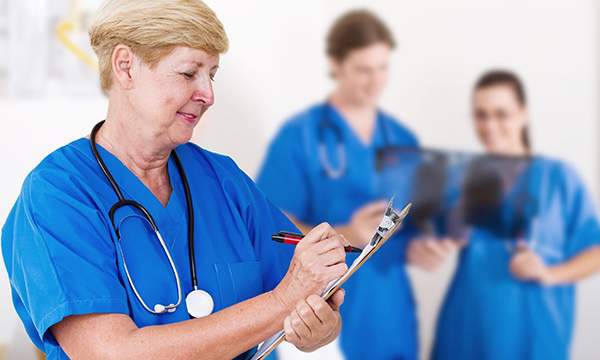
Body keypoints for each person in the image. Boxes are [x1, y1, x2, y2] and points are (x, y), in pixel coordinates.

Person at [1, 1, 351, 359]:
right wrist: (283, 302)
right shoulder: (57, 195)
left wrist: (317, 326)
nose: (209, 95)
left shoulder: (224, 181)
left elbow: (308, 297)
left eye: (211, 75)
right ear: (125, 67)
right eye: (189, 74)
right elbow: (110, 354)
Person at [257, 10, 421, 360]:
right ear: (336, 64)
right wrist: (348, 230)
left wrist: (424, 244)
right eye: (363, 69)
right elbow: (270, 228)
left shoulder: (401, 138)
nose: (375, 80)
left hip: (389, 310)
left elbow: (416, 221)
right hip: (324, 311)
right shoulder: (299, 138)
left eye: (382, 68)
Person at [431, 70, 600, 360]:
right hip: (469, 329)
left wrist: (549, 274)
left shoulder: (558, 177)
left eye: (501, 113)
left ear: (524, 114)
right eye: (481, 115)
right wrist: (452, 231)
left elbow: (595, 250)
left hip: (535, 332)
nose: (490, 125)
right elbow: (441, 237)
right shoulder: (463, 175)